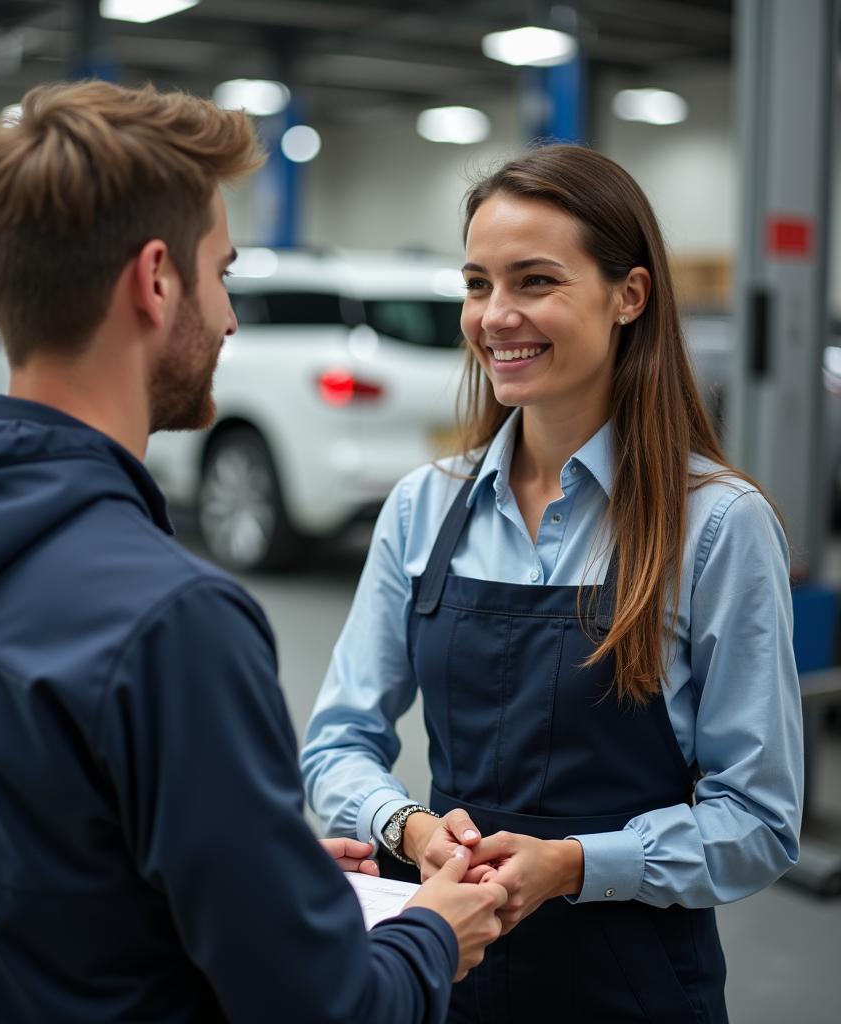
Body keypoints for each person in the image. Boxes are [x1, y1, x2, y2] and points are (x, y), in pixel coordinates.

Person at [0, 80, 510, 1024]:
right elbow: (328, 1010)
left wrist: (262, 881)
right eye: (221, 273)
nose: (228, 318)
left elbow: (2, 879)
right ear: (155, 281)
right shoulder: (171, 621)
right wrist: (433, 932)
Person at [301, 144, 804, 1023]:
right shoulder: (426, 506)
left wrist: (576, 863)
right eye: (476, 284)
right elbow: (339, 737)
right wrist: (409, 829)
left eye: (534, 281)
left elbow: (758, 820)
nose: (497, 316)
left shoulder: (717, 524)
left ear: (629, 296)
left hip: (632, 989)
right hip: (441, 974)